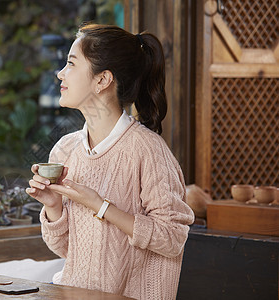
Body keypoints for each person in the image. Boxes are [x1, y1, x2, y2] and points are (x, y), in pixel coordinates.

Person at [26, 23, 195, 300]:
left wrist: (100, 205)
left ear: (102, 80)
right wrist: (53, 207)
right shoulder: (65, 150)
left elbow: (172, 238)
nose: (60, 73)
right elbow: (66, 249)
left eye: (71, 64)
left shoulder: (148, 150)